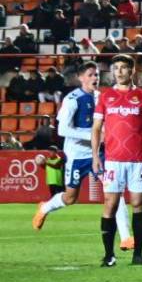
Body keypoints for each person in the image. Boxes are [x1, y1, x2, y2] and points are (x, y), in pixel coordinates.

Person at [31, 61, 133, 250]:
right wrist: (92, 135)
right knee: (70, 198)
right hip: (77, 155)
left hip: (100, 154)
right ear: (81, 78)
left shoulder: (101, 97)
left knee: (114, 191)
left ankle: (126, 238)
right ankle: (44, 208)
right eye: (91, 75)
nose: (95, 78)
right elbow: (62, 129)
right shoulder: (72, 99)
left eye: (97, 75)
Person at [91, 54, 142, 266]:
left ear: (132, 71)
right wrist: (95, 156)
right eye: (116, 68)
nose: (119, 71)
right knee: (110, 204)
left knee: (138, 203)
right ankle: (109, 255)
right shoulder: (105, 97)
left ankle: (138, 255)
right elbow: (96, 128)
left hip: (138, 160)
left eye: (123, 68)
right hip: (112, 160)